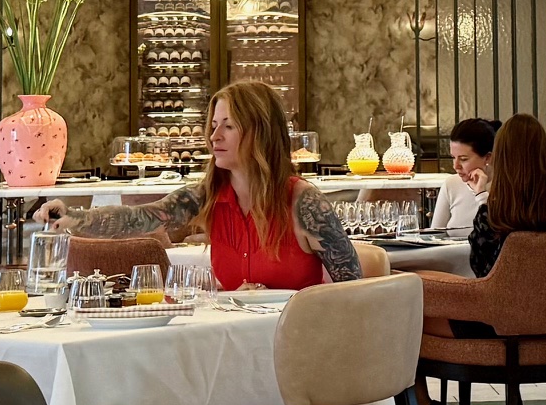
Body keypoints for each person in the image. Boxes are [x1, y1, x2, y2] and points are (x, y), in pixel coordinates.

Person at [45, 79, 360, 289]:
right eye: (213, 125)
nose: (214, 137)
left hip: (299, 345)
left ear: (260, 133)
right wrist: (73, 217)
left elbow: (354, 290)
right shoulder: (208, 194)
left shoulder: (304, 203)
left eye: (229, 126)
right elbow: (138, 219)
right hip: (235, 341)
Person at [467, 113, 546, 278]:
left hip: (510, 293)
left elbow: (481, 269)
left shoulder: (495, 210)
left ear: (501, 156)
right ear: (544, 150)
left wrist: (482, 198)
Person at [428, 116, 495, 238]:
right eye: (453, 158)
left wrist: (481, 194)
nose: (456, 166)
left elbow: (495, 239)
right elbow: (434, 237)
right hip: (449, 251)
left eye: (463, 159)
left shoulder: (507, 187)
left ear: (487, 157)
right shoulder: (451, 184)